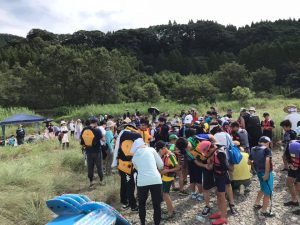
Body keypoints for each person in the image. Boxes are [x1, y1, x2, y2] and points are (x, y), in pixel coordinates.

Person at [131, 138, 164, 225]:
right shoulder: (151, 150)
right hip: (156, 179)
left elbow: (138, 169)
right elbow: (161, 165)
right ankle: (157, 223)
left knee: (142, 204)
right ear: (144, 144)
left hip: (142, 182)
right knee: (156, 205)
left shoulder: (134, 157)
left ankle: (143, 223)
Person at [111, 122, 141, 211]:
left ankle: (124, 202)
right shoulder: (127, 133)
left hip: (122, 166)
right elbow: (138, 135)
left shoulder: (122, 135)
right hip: (127, 166)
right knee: (130, 185)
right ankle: (133, 205)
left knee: (124, 184)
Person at [249, 136, 275, 217]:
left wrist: (255, 168)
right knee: (268, 192)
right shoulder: (267, 150)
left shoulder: (253, 149)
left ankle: (257, 204)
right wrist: (267, 174)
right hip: (266, 173)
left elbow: (249, 162)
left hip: (259, 172)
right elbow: (267, 161)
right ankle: (264, 211)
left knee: (263, 188)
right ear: (267, 142)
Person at [156, 141, 180, 219]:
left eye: (160, 151)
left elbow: (178, 167)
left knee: (165, 194)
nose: (160, 153)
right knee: (165, 194)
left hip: (168, 178)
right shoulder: (165, 155)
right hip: (164, 177)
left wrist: (167, 171)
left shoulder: (170, 156)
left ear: (164, 148)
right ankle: (171, 209)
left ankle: (170, 212)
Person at [193, 141, 217, 218]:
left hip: (218, 170)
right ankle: (207, 206)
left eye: (207, 152)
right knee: (205, 188)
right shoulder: (198, 149)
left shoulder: (217, 150)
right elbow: (196, 161)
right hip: (206, 170)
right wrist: (205, 165)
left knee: (220, 188)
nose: (205, 153)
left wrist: (210, 160)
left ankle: (227, 203)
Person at [176, 137, 204, 201]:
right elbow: (196, 162)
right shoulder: (186, 149)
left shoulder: (194, 139)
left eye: (186, 148)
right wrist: (205, 165)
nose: (186, 149)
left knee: (196, 179)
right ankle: (198, 193)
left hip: (196, 160)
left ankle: (197, 193)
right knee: (194, 179)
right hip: (194, 162)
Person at [80, 116, 104, 187]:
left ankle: (91, 182)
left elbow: (81, 141)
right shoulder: (97, 130)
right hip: (97, 151)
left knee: (90, 167)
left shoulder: (84, 129)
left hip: (88, 151)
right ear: (96, 123)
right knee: (99, 166)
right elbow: (103, 139)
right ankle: (101, 181)